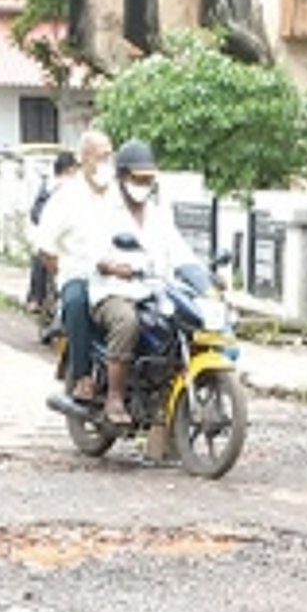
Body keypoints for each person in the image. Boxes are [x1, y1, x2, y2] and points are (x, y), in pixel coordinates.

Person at [88, 138, 204, 427]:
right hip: (112, 291)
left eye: (148, 179)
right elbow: (91, 250)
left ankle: (166, 402)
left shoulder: (158, 211)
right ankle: (114, 397)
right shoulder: (104, 208)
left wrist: (204, 276)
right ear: (123, 176)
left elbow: (178, 248)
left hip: (153, 290)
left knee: (182, 327)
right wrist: (112, 266)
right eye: (137, 178)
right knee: (128, 322)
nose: (143, 184)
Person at [34, 129, 118, 403]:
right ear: (84, 159)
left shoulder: (119, 194)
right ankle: (83, 377)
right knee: (77, 302)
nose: (107, 162)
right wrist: (64, 273)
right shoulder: (66, 198)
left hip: (119, 276)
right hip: (80, 274)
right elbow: (46, 247)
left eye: (110, 156)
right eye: (101, 156)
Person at [25, 150, 76, 315]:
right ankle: (35, 298)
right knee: (42, 255)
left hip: (72, 237)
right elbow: (36, 213)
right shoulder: (49, 187)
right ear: (68, 170)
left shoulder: (81, 188)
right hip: (53, 235)